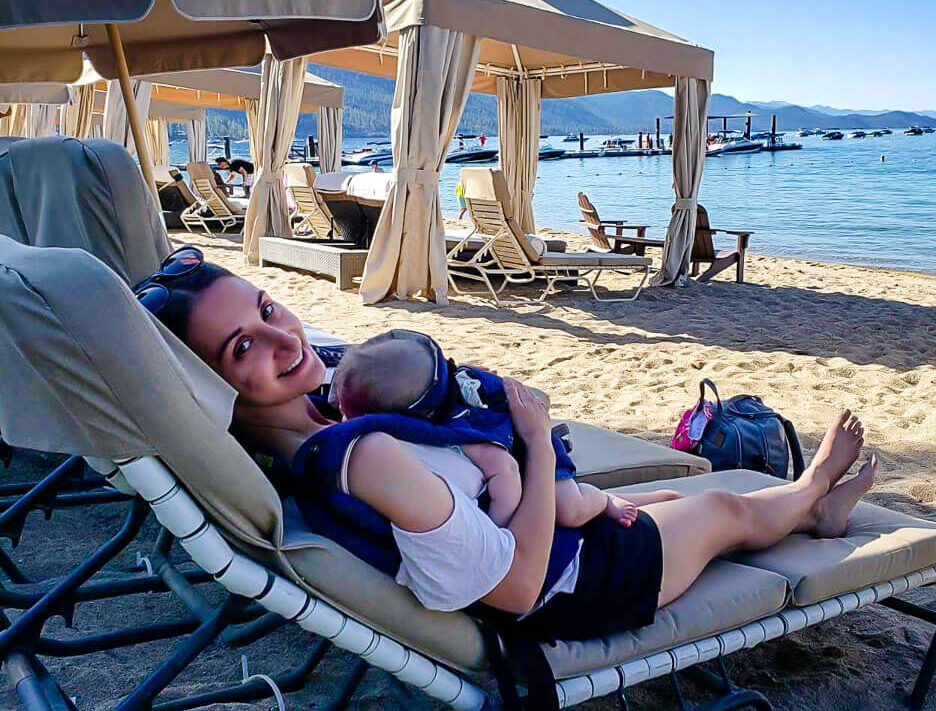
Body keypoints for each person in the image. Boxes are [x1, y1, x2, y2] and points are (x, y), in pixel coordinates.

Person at [138, 247, 877, 643]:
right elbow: (517, 588)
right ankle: (813, 492)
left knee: (656, 495)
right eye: (243, 347)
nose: (283, 336)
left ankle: (809, 514)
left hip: (556, 536)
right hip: (574, 584)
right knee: (720, 507)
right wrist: (530, 437)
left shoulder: (313, 418)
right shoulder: (367, 461)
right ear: (213, 385)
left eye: (268, 308)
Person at [331, 333, 664, 528]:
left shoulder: (468, 431)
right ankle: (636, 498)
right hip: (521, 424)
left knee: (570, 510)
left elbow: (505, 473)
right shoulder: (433, 382)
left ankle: (604, 500)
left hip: (529, 445)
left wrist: (497, 523)